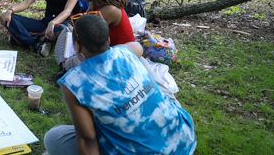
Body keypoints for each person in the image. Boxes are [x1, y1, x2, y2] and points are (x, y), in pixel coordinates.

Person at [44, 14, 197, 155]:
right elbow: (137, 47)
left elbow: (87, 140)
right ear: (108, 40)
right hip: (184, 139)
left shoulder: (73, 82)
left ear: (77, 47)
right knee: (140, 59)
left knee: (53, 137)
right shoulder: (124, 52)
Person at [57, 0, 135, 72]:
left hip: (116, 56)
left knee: (77, 49)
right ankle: (65, 67)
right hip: (103, 49)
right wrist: (91, 5)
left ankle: (66, 67)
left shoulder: (110, 10)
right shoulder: (98, 3)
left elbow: (85, 33)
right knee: (67, 31)